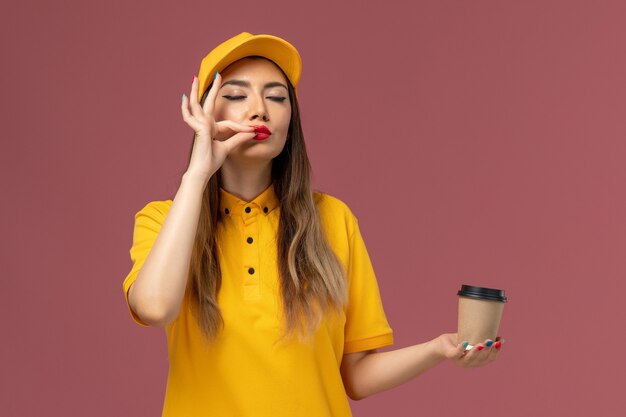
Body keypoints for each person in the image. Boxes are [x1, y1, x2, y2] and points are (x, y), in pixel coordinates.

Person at [122, 32, 504, 417]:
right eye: (236, 96)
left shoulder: (334, 220)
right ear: (204, 114)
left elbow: (354, 376)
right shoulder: (162, 221)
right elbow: (155, 307)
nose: (259, 111)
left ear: (292, 119)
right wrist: (197, 174)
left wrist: (440, 348)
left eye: (276, 97)